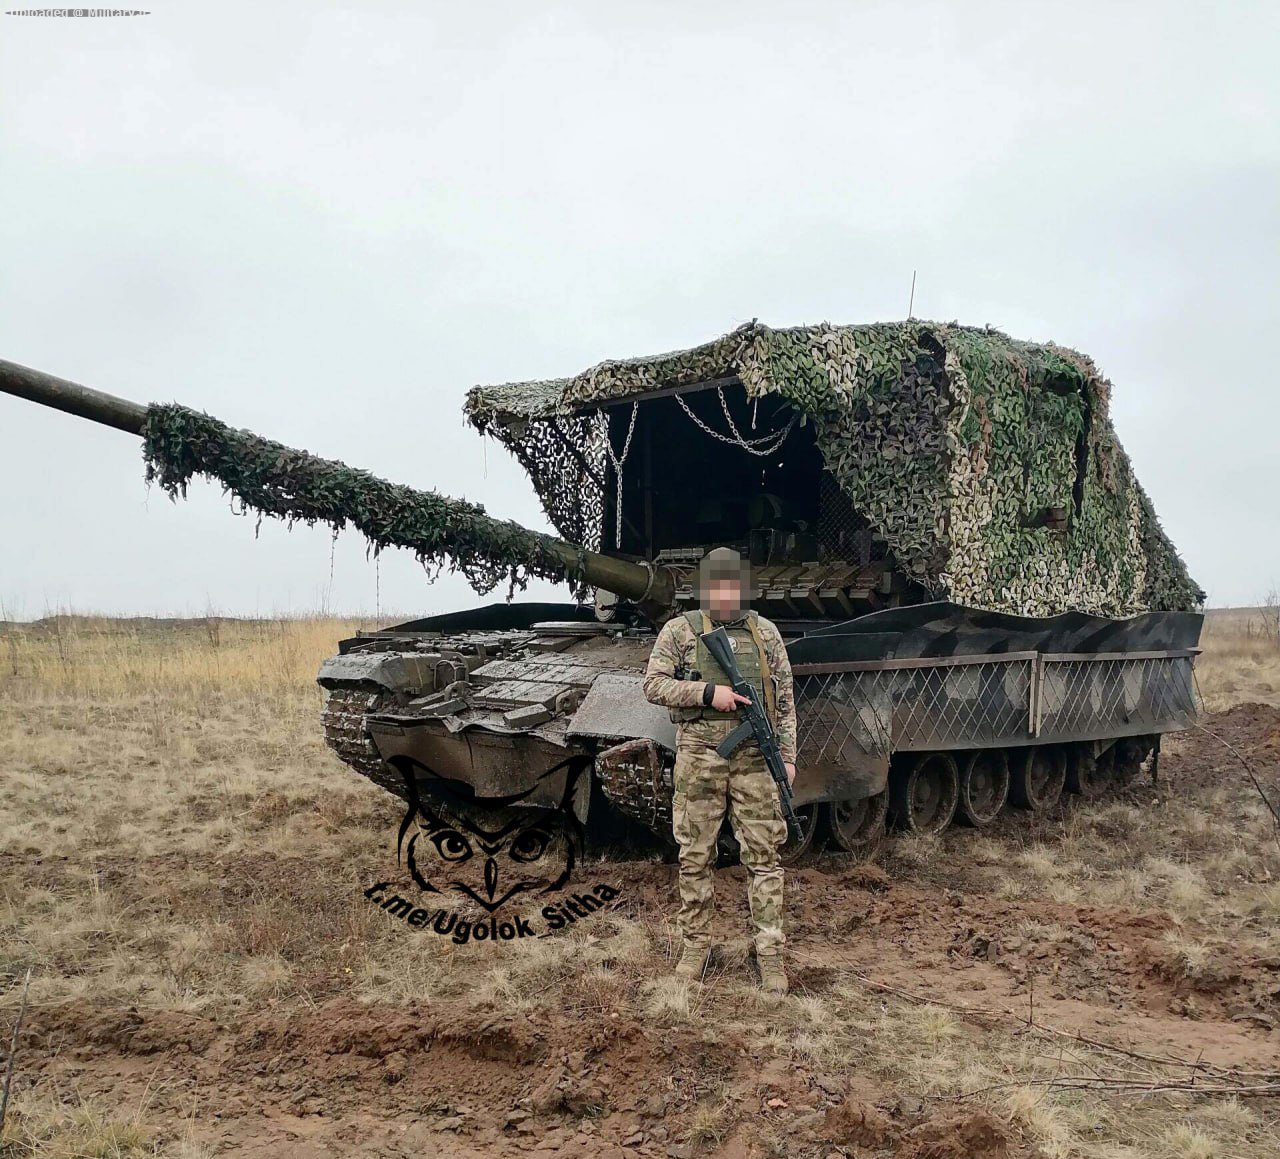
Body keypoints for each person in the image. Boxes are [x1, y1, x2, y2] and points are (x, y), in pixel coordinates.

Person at [641, 546, 797, 994]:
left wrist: (786, 759)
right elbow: (653, 685)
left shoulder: (766, 635)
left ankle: (769, 953)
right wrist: (708, 694)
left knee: (764, 859)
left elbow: (784, 703)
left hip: (754, 760)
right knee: (694, 856)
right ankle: (695, 946)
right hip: (700, 757)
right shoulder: (680, 631)